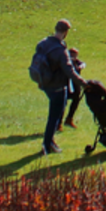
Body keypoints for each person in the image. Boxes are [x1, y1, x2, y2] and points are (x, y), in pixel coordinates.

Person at [35, 18, 74, 153]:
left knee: (55, 115)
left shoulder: (44, 43)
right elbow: (69, 70)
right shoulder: (60, 50)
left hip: (45, 84)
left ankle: (50, 141)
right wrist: (83, 82)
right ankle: (47, 145)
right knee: (55, 116)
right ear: (65, 32)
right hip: (58, 86)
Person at [63, 46, 86, 129]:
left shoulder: (76, 62)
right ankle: (59, 122)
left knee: (76, 100)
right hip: (66, 84)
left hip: (75, 84)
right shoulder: (66, 61)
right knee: (63, 103)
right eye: (71, 54)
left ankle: (69, 119)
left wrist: (82, 66)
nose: (73, 56)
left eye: (75, 55)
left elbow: (83, 63)